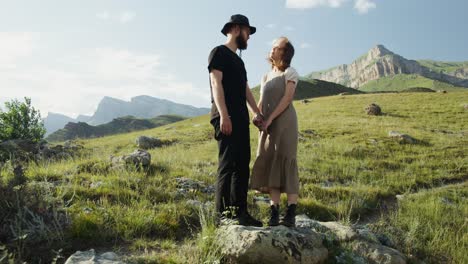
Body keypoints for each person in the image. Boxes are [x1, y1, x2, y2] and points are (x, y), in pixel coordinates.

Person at [208, 14, 263, 227]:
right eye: (248, 32)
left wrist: (256, 112)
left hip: (240, 118)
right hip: (225, 116)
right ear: (237, 29)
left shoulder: (239, 61)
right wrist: (223, 115)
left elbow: (245, 89)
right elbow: (216, 82)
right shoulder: (219, 52)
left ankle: (239, 212)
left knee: (242, 165)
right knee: (227, 164)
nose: (249, 37)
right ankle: (221, 215)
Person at [251, 37, 300, 227]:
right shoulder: (265, 76)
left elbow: (287, 99)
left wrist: (270, 119)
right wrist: (257, 116)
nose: (272, 50)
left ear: (284, 52)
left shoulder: (290, 72)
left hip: (286, 123)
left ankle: (290, 214)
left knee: (287, 161)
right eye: (272, 47)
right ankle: (274, 212)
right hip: (268, 126)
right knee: (271, 162)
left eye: (276, 47)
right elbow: (262, 103)